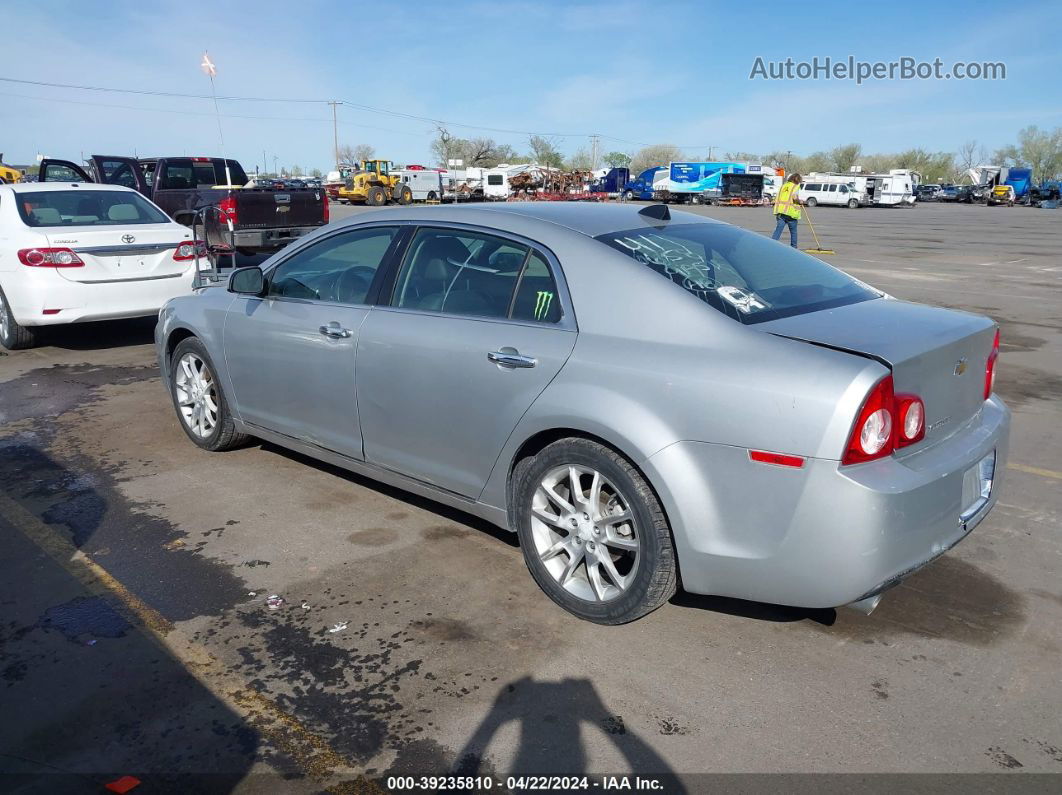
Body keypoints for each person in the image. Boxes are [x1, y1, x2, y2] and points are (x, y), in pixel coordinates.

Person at [772, 173, 803, 248]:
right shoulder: (795, 186)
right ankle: (794, 247)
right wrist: (800, 202)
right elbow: (794, 197)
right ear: (798, 180)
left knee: (778, 230)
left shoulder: (784, 186)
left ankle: (771, 245)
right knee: (793, 232)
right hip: (791, 213)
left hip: (781, 212)